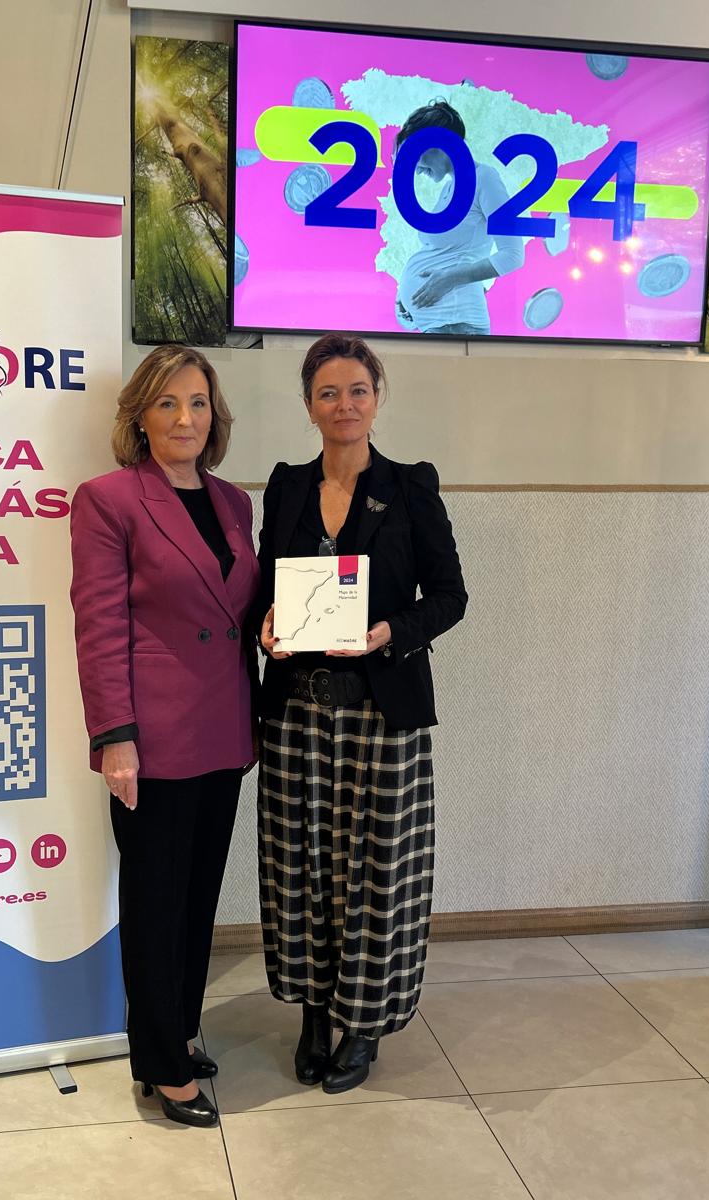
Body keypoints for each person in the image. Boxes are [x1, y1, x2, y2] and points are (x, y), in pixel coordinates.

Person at [255, 333, 468, 1093]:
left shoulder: (411, 487)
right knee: (298, 869)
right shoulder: (284, 487)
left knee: (378, 874)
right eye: (327, 392)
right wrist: (264, 627)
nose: (343, 405)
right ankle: (315, 1011)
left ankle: (365, 1023)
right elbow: (262, 590)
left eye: (357, 390)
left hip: (384, 716)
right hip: (295, 718)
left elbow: (450, 598)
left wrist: (388, 634)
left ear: (378, 397)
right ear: (308, 404)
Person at [69, 344, 259, 1128]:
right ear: (140, 417)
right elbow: (100, 624)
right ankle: (161, 1065)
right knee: (153, 902)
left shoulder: (233, 502)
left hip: (223, 730)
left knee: (197, 899)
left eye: (199, 403)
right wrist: (116, 735)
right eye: (169, 403)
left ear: (216, 416)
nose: (187, 418)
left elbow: (239, 610)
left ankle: (178, 1029)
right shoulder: (108, 499)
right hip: (150, 738)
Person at [393, 99, 526, 337]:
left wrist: (447, 279)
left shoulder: (485, 178)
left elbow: (513, 255)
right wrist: (406, 296)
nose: (415, 168)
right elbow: (445, 254)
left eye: (415, 155)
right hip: (441, 325)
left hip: (458, 326)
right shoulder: (450, 188)